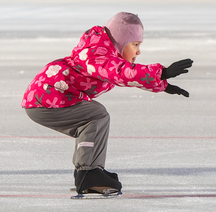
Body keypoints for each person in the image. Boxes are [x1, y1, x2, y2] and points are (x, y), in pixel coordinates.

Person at [22, 12, 192, 196]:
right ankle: (88, 172)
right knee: (96, 115)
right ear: (121, 40)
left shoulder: (102, 51)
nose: (138, 51)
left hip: (50, 97)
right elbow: (121, 72)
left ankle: (90, 171)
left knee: (93, 117)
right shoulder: (98, 54)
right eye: (135, 44)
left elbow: (124, 74)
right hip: (48, 97)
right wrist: (162, 73)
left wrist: (163, 85)